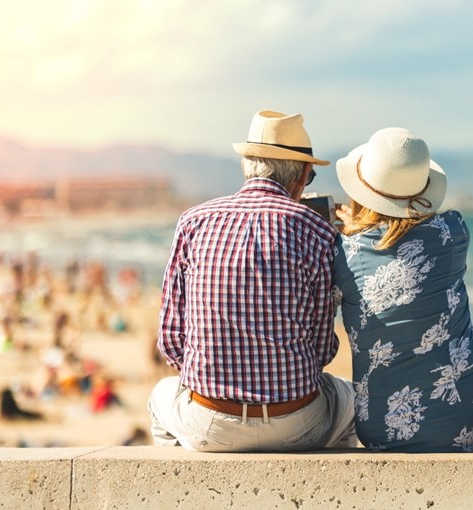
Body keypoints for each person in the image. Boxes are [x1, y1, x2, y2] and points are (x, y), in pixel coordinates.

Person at [148, 110, 356, 452]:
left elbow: (171, 342)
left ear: (246, 165)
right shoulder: (317, 231)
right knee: (348, 400)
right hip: (296, 422)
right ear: (303, 175)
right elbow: (322, 351)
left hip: (209, 423)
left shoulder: (193, 222)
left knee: (160, 396)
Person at [332, 127, 473, 452]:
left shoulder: (342, 251)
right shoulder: (453, 233)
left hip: (383, 428)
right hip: (470, 419)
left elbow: (373, 248)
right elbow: (406, 235)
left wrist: (350, 230)